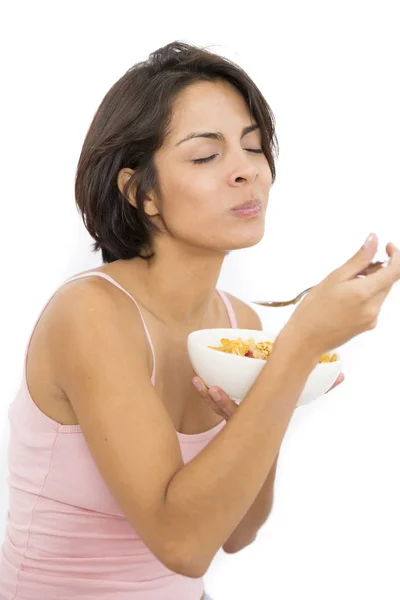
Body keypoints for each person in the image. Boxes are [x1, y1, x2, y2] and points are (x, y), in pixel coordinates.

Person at [0, 40, 399, 600]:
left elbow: (235, 531)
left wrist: (281, 384)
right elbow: (183, 546)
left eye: (254, 147)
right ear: (142, 193)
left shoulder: (238, 324)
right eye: (206, 156)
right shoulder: (91, 314)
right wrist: (302, 344)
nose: (247, 173)